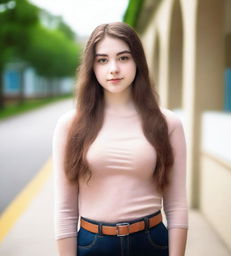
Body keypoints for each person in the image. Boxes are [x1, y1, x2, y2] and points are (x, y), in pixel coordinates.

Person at [52, 21, 188, 256]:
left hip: (151, 243)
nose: (113, 68)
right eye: (102, 60)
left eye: (123, 58)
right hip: (93, 244)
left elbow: (176, 205)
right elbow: (65, 209)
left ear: (137, 61)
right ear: (92, 67)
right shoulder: (70, 125)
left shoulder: (168, 123)